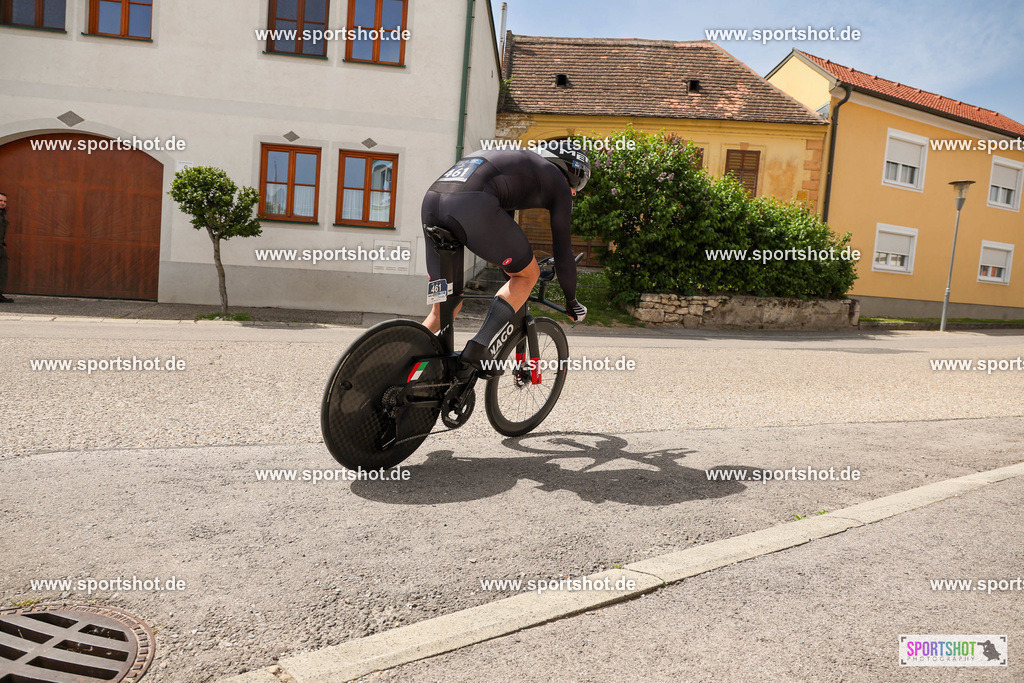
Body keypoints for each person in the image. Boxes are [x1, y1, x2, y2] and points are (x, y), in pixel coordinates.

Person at [420, 142, 590, 372]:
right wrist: (572, 302)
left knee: (445, 309)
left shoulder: (518, 164)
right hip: (471, 203)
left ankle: (400, 360)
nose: (574, 192)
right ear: (569, 170)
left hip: (432, 202)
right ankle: (478, 347)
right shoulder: (557, 181)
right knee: (528, 275)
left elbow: (503, 233)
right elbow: (563, 250)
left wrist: (511, 270)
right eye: (578, 183)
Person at [0, 191, 10, 303]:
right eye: (0, 201)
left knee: (2, 271)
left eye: (4, 201)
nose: (3, 203)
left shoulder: (2, 215)